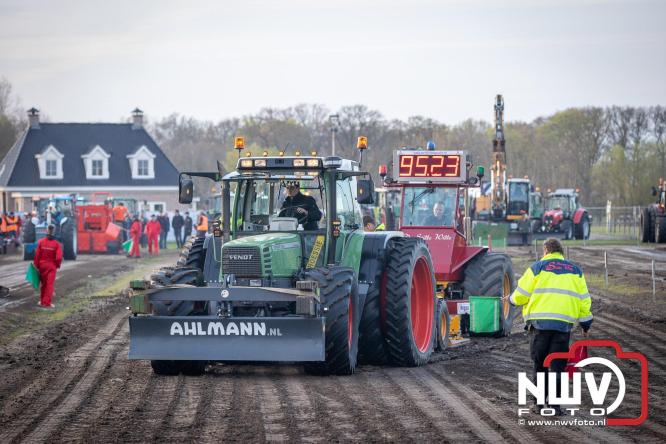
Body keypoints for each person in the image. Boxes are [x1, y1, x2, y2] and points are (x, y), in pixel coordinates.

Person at [510, 238, 593, 416]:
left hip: (539, 325)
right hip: (563, 326)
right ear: (561, 253)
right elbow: (584, 300)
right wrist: (586, 324)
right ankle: (555, 407)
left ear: (546, 250)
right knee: (557, 365)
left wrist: (511, 299)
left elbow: (521, 296)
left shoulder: (537, 268)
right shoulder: (576, 271)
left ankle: (539, 405)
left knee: (539, 364)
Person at [33, 224, 62, 308]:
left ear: (47, 231)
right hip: (51, 266)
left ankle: (42, 301)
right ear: (54, 232)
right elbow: (59, 257)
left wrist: (36, 265)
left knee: (43, 285)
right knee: (49, 285)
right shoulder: (57, 244)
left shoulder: (41, 242)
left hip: (42, 266)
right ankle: (47, 303)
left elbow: (37, 255)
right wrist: (57, 265)